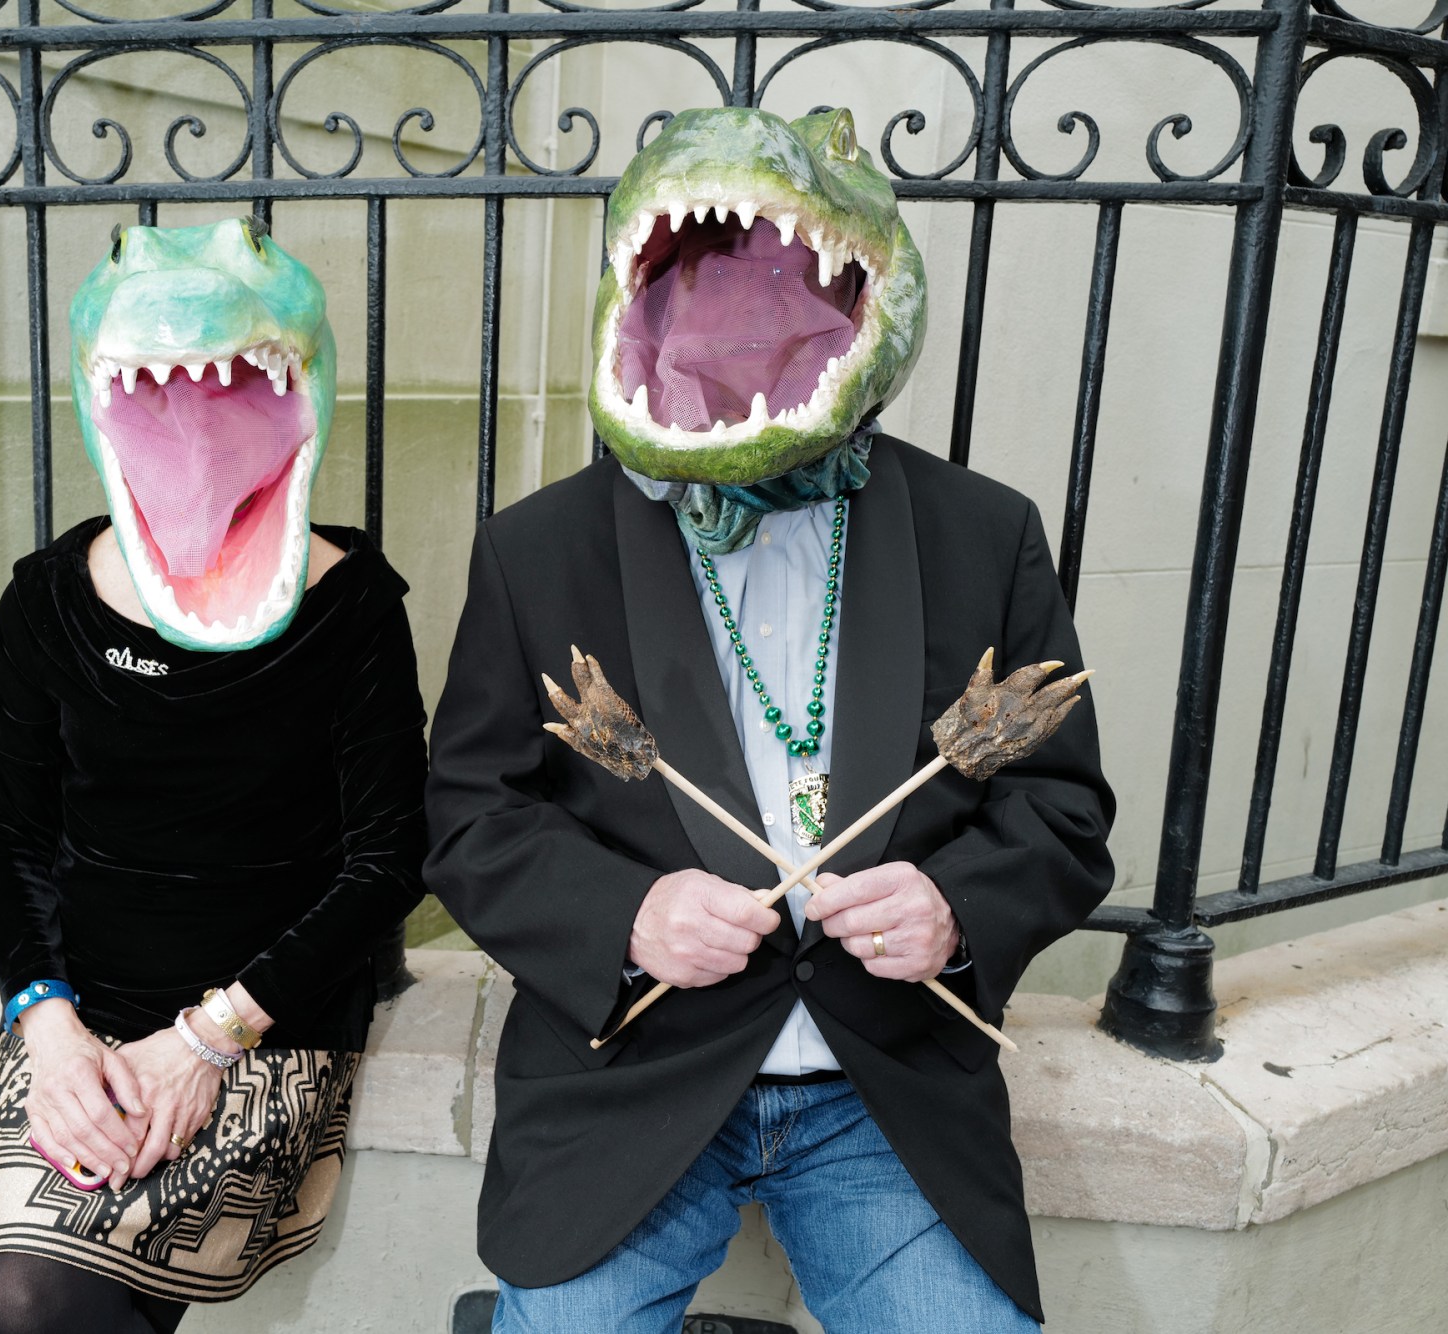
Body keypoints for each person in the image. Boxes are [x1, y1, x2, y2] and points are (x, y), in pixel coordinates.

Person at [425, 108, 1116, 1332]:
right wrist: (624, 915)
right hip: (628, 1076)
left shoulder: (984, 532)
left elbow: (1059, 807)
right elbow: (471, 812)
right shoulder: (535, 551)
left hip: (881, 1090)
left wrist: (954, 907)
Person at [0, 217, 427, 1334]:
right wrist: (49, 1027)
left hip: (270, 1009)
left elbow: (387, 857)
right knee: (35, 1289)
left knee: (51, 1305)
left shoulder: (353, 608)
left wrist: (209, 1036)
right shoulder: (42, 601)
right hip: (76, 1008)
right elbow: (5, 841)